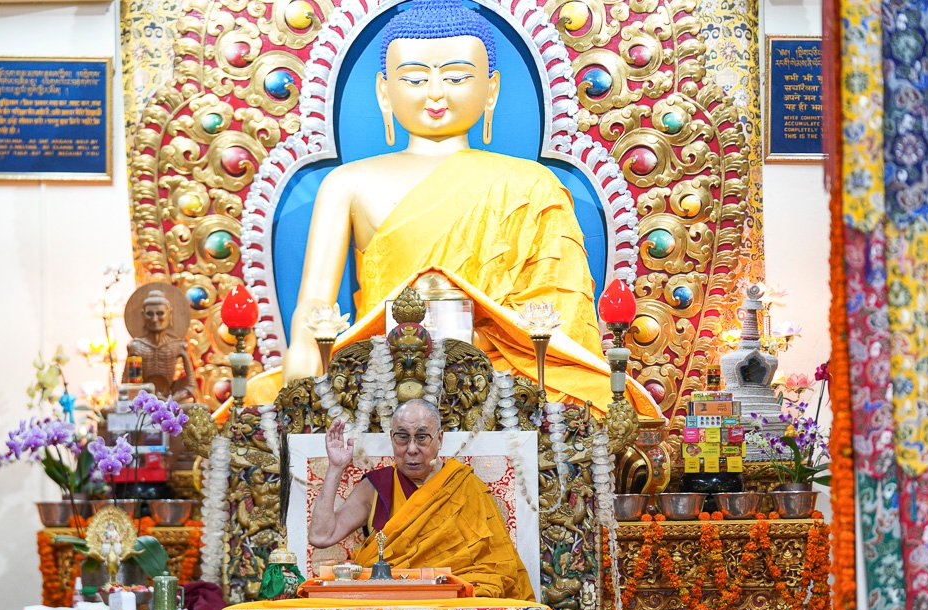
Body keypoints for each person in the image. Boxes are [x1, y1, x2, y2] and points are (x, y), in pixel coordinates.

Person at [239, 0, 657, 417]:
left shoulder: (532, 184)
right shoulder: (348, 183)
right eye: (415, 78)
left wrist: (477, 347)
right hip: (381, 377)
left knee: (598, 398)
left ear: (491, 89)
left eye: (456, 77)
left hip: (497, 378)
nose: (436, 92)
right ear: (384, 91)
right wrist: (303, 377)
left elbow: (558, 320)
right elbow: (315, 306)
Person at [309, 398, 534, 600]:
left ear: (440, 439)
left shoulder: (465, 486)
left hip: (452, 603)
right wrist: (336, 467)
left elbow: (496, 564)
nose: (412, 449)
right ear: (392, 438)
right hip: (387, 602)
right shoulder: (376, 486)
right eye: (402, 438)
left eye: (422, 437)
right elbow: (321, 536)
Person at [126, 287, 195, 399]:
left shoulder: (178, 346)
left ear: (170, 314)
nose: (154, 319)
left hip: (172, 400)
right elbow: (129, 386)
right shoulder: (136, 347)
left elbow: (191, 386)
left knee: (200, 407)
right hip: (144, 402)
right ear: (143, 315)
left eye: (160, 313)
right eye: (150, 314)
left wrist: (171, 400)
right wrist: (147, 400)